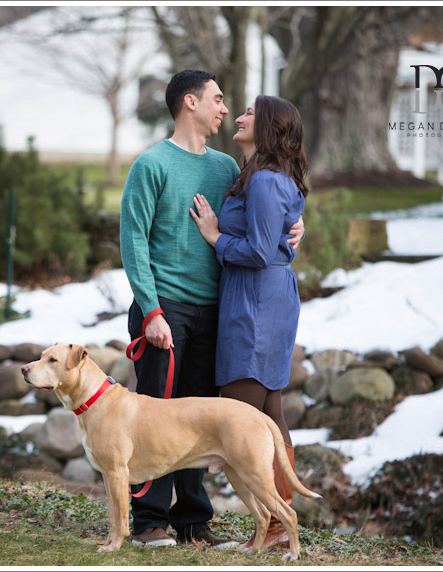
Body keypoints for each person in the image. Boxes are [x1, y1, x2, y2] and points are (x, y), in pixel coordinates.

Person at [120, 71, 304, 549]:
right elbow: (133, 241)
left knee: (201, 424)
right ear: (189, 103)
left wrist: (296, 223)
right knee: (156, 419)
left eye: (230, 105)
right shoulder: (151, 164)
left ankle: (194, 522)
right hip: (166, 312)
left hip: (219, 313)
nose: (226, 109)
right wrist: (152, 310)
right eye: (218, 100)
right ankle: (149, 522)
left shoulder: (228, 167)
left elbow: (267, 210)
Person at [189, 95, 310, 550]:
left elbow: (260, 251)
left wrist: (215, 236)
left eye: (248, 114)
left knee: (239, 418)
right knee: (268, 415)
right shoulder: (261, 178)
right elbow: (278, 235)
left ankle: (276, 528)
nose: (238, 118)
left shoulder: (264, 181)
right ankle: (277, 530)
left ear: (268, 128)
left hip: (257, 304)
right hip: (262, 299)